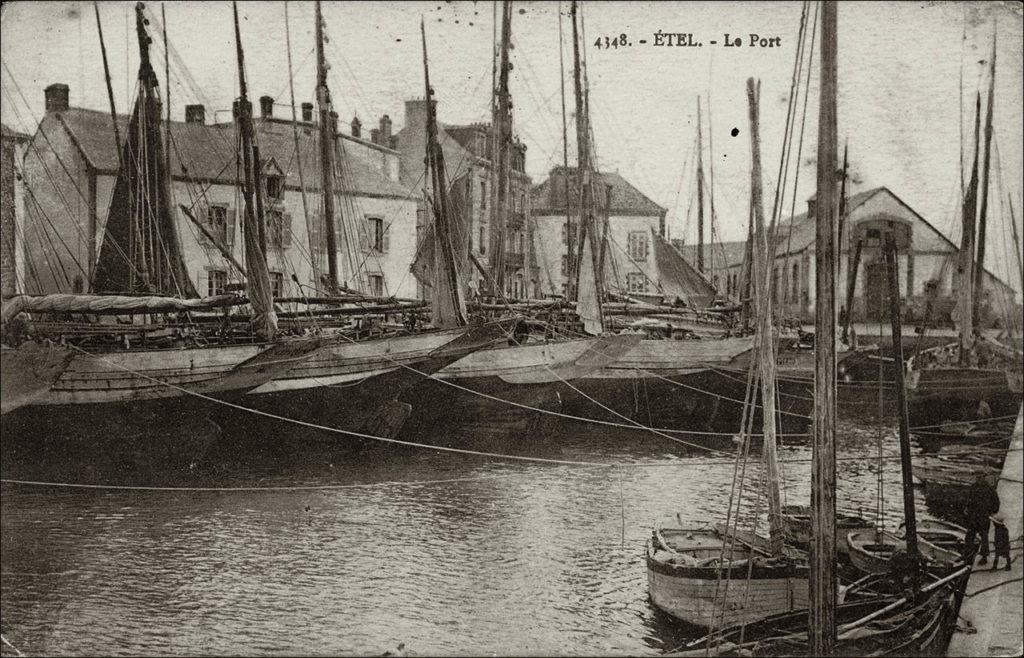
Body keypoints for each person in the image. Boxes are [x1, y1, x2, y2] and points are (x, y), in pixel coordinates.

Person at [964, 474, 1001, 565]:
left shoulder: (989, 489)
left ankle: (984, 557)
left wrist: (991, 512)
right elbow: (970, 500)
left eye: (980, 477)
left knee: (984, 537)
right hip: (974, 516)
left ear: (984, 478)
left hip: (983, 517)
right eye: (977, 477)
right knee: (969, 536)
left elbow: (996, 502)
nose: (978, 479)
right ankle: (967, 555)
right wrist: (967, 508)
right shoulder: (973, 487)